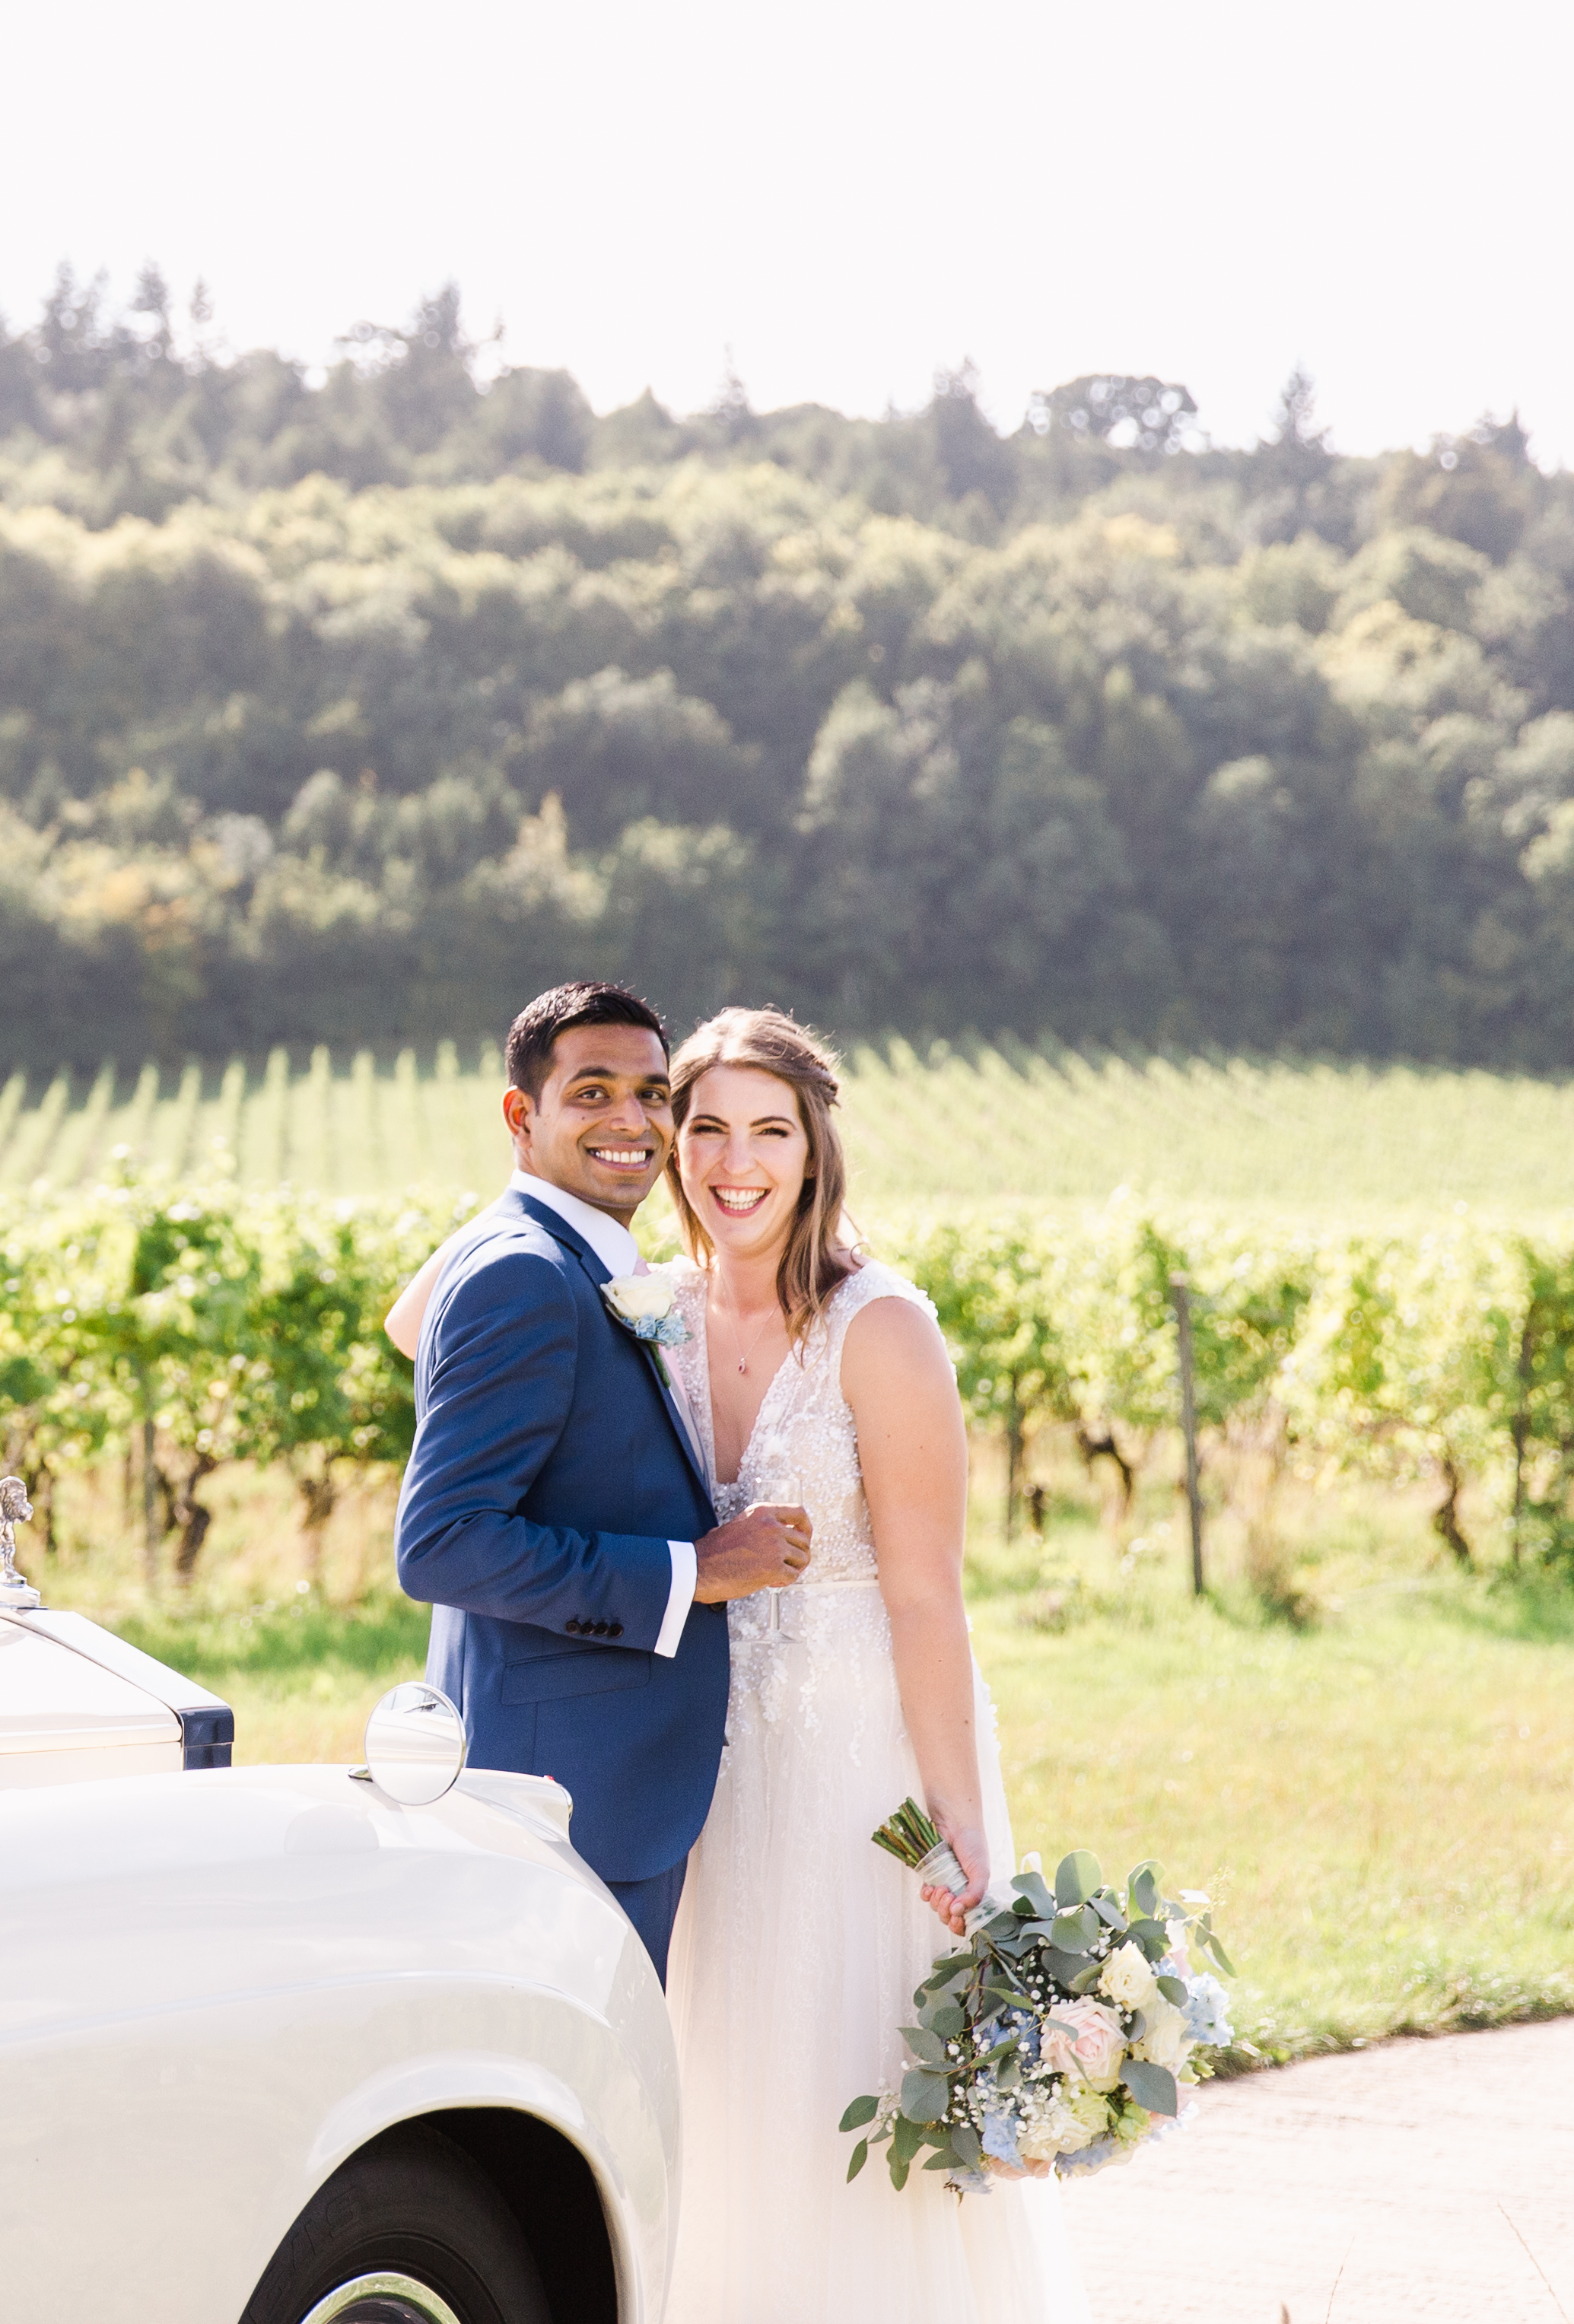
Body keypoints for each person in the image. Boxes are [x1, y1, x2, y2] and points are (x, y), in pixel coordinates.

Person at [390, 1002, 1092, 2320]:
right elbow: (419, 1316)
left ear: (818, 1149)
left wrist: (960, 1823)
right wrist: (530, 1198)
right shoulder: (636, 1296)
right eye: (701, 1126)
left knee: (839, 2094)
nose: (732, 1162)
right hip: (687, 1777)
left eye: (769, 1131)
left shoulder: (880, 1325)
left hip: (852, 1774)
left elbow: (930, 1601)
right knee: (705, 2096)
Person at [386, 981, 811, 1982]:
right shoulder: (526, 1274)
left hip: (590, 1778)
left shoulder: (559, 1257)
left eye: (653, 1094)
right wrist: (689, 1573)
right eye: (593, 1093)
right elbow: (442, 1542)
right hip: (564, 1794)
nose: (633, 1121)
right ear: (520, 1116)